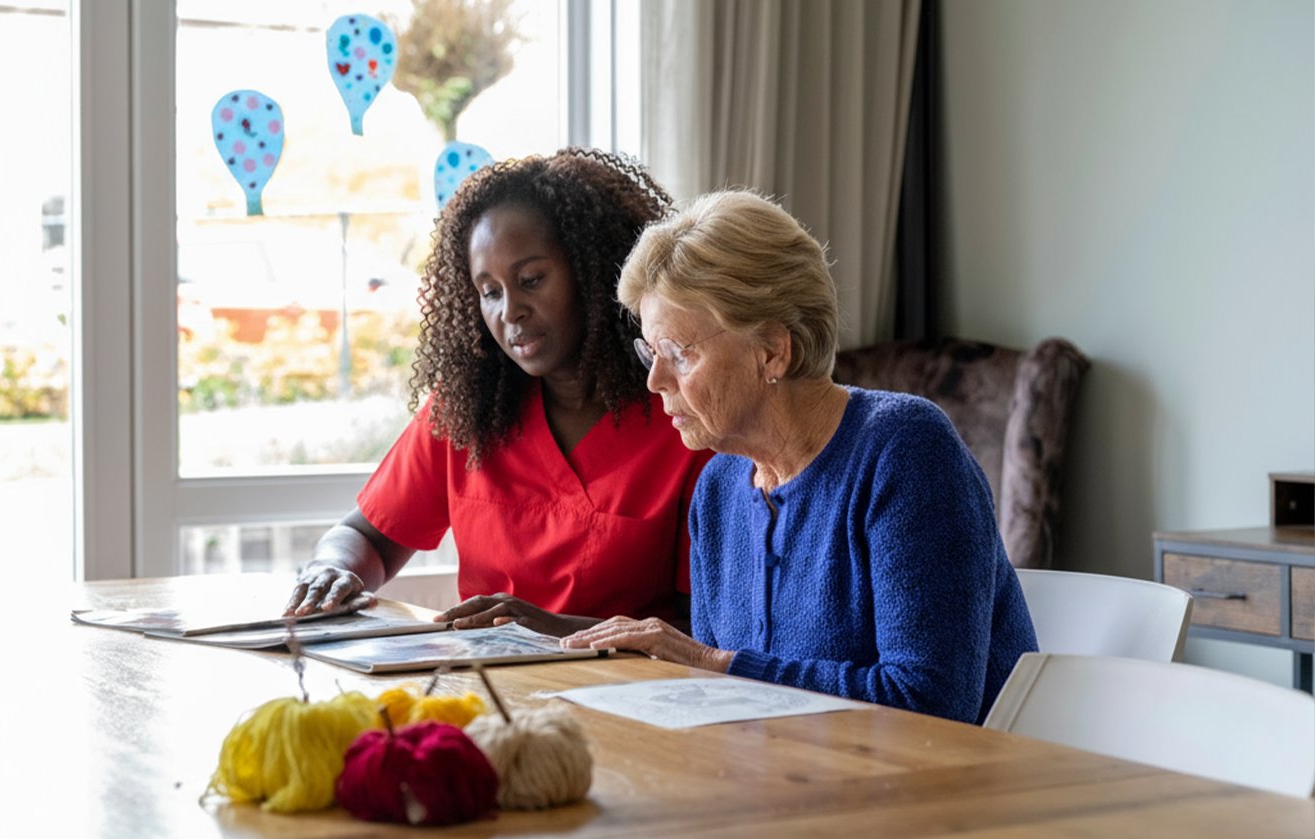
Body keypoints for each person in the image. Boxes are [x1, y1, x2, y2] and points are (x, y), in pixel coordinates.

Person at [562, 189, 1037, 723]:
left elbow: (929, 703)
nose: (655, 380)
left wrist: (714, 664)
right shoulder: (718, 489)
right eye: (651, 352)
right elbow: (727, 709)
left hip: (944, 793)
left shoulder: (907, 451)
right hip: (790, 787)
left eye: (680, 353)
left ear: (773, 350)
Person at [285, 149, 711, 636]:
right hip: (484, 695)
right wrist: (331, 569)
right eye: (489, 291)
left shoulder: (685, 420)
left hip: (631, 699)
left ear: (598, 272)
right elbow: (367, 537)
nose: (510, 311)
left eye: (531, 280)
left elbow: (704, 629)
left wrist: (550, 629)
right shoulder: (468, 411)